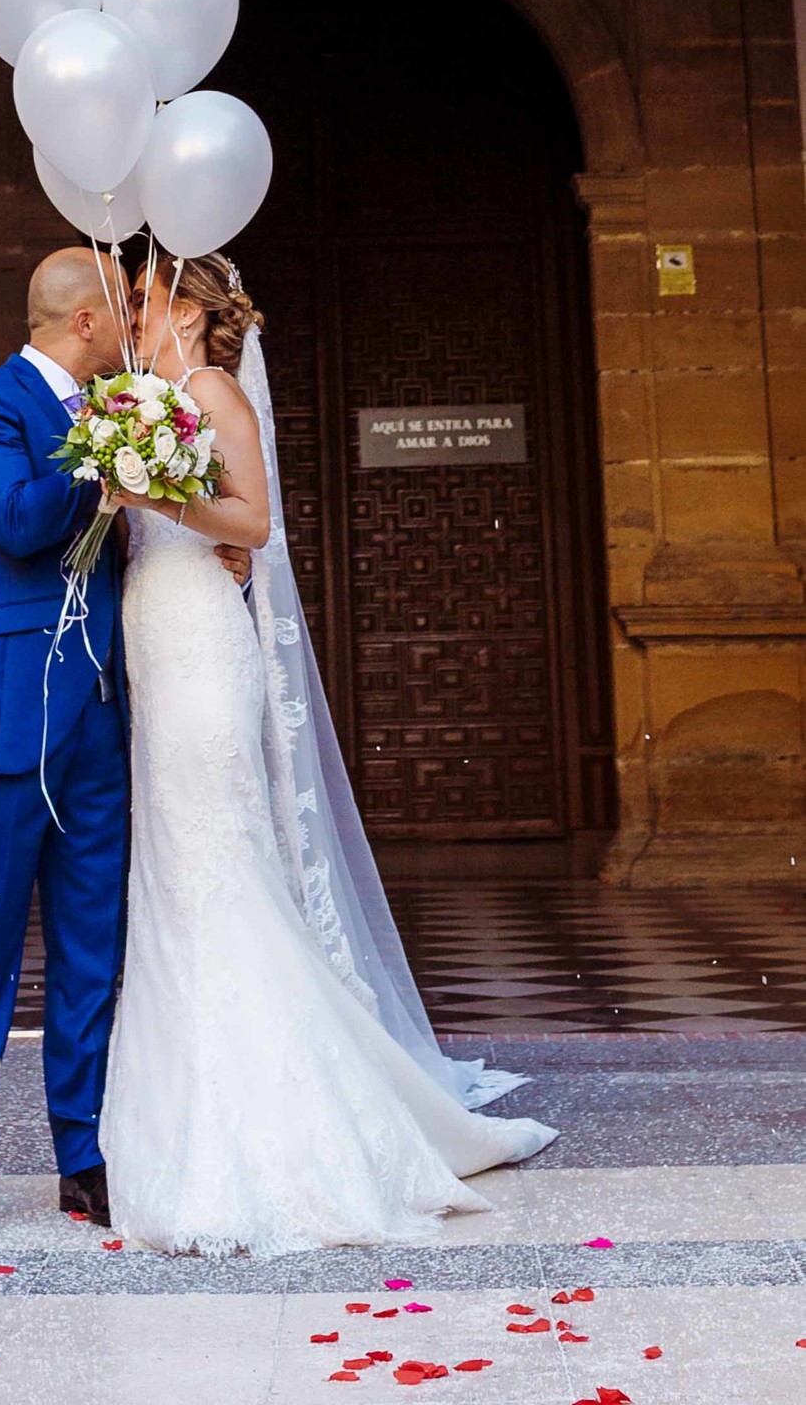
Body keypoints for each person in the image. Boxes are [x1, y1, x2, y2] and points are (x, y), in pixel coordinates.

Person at [99, 252, 557, 1254]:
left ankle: (283, 1127)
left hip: (200, 646)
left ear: (186, 310)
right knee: (174, 871)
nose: (126, 314)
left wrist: (148, 492)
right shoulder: (147, 400)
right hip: (157, 635)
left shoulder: (211, 391)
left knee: (218, 865)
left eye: (140, 299)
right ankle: (186, 1123)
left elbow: (254, 521)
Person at [0, 247, 249, 1244]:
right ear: (87, 323)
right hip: (5, 718)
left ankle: (85, 1156)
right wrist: (112, 448)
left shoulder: (120, 413)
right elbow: (19, 521)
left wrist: (204, 535)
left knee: (92, 951)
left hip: (101, 718)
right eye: (122, 310)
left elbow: (150, 529)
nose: (135, 327)